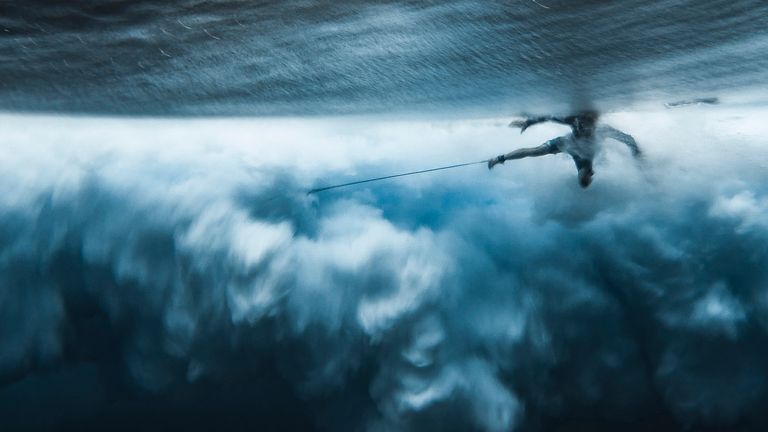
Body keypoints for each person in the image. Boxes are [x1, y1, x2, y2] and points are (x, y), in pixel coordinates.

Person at [487, 111, 641, 188]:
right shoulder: (574, 122)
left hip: (585, 156)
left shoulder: (604, 130)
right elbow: (548, 117)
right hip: (567, 144)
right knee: (535, 151)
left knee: (583, 184)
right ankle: (499, 159)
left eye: (585, 126)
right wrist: (528, 122)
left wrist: (636, 153)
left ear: (593, 124)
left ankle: (588, 174)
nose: (581, 127)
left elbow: (629, 139)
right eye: (579, 125)